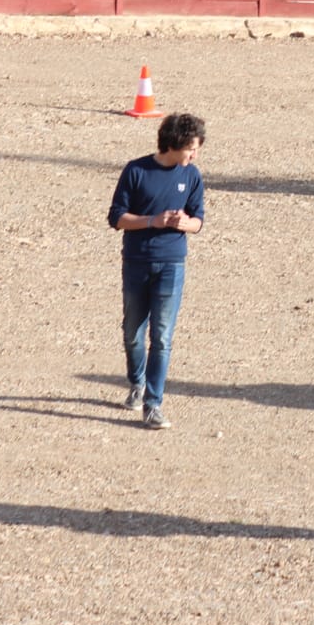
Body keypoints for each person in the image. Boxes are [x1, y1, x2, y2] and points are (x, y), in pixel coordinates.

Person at [107, 112, 207, 430]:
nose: (195, 154)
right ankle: (136, 382)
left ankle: (154, 403)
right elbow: (117, 218)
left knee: (162, 337)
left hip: (172, 264)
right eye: (192, 147)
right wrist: (153, 221)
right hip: (137, 262)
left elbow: (198, 221)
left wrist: (184, 224)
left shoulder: (192, 176)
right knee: (133, 333)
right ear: (175, 144)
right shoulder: (136, 171)